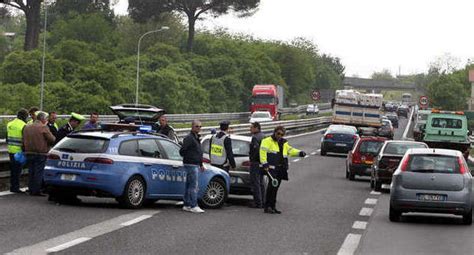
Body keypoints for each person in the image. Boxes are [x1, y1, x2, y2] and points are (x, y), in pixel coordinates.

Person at [260, 126, 306, 214]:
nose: (280, 136)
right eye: (278, 133)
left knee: (276, 188)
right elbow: (262, 152)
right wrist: (264, 163)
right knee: (271, 187)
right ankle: (267, 206)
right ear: (274, 132)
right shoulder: (266, 141)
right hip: (271, 168)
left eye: (282, 134)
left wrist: (299, 153)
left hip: (281, 168)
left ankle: (273, 206)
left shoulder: (284, 143)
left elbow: (290, 150)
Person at [22, 111, 55, 196]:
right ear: (43, 119)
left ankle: (30, 189)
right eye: (46, 118)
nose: (47, 120)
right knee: (38, 172)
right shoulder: (43, 127)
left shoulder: (27, 127)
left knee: (31, 171)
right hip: (40, 153)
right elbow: (52, 139)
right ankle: (36, 190)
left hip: (28, 152)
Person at [179, 120, 205, 214]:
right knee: (194, 186)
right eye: (197, 126)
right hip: (191, 164)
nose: (199, 128)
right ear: (192, 127)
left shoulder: (196, 137)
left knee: (189, 185)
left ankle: (187, 204)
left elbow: (198, 152)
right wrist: (189, 157)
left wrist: (201, 164)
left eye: (200, 126)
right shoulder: (189, 138)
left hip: (194, 163)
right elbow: (182, 151)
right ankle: (194, 205)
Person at [6, 109, 28, 193]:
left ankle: (13, 187)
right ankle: (16, 188)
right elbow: (25, 140)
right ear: (24, 116)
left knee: (13, 170)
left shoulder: (9, 124)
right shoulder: (24, 125)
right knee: (18, 170)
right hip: (19, 151)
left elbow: (7, 138)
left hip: (10, 150)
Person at [248, 122, 265, 208]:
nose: (250, 129)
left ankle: (257, 202)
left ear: (256, 128)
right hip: (262, 162)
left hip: (256, 162)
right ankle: (263, 200)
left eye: (251, 127)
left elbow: (255, 151)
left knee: (255, 182)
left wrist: (252, 160)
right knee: (261, 182)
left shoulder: (255, 138)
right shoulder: (264, 136)